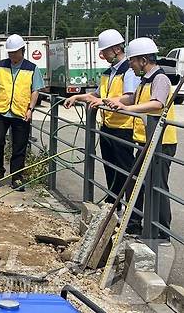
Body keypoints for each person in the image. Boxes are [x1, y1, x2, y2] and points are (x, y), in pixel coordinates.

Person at [64, 30, 140, 225]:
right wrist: (77, 97)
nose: (103, 55)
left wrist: (106, 102)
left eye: (105, 51)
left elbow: (129, 97)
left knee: (125, 170)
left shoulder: (128, 70)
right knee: (110, 168)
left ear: (116, 49)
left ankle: (132, 215)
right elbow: (96, 95)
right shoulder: (109, 73)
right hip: (107, 125)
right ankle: (112, 202)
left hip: (123, 127)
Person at [104, 37, 178, 239]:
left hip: (161, 141)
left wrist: (128, 108)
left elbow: (157, 104)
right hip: (145, 139)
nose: (130, 64)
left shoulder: (159, 79)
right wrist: (115, 101)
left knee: (157, 184)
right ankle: (137, 222)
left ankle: (161, 231)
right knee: (139, 181)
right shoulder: (145, 80)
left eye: (133, 61)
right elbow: (132, 97)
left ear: (144, 60)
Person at [0, 34, 44, 191]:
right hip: (1, 110)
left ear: (22, 51)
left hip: (21, 112)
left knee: (19, 146)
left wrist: (30, 109)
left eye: (15, 52)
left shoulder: (32, 68)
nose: (12, 56)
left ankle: (17, 177)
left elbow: (35, 90)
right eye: (10, 53)